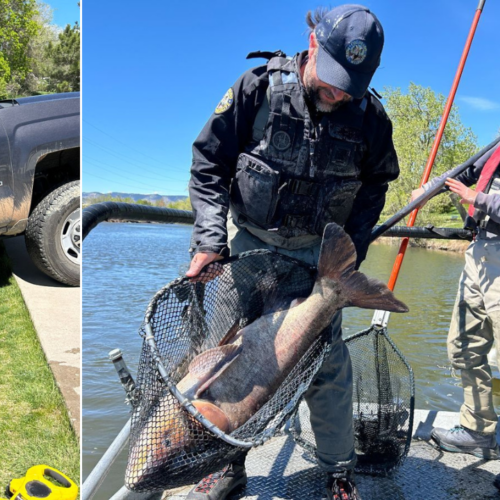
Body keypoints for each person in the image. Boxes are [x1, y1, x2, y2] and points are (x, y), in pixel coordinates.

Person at [184, 5, 399, 500]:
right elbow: (208, 165)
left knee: (327, 367)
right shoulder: (255, 88)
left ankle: (338, 468)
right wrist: (209, 242)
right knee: (230, 366)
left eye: (351, 84)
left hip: (317, 259)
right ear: (312, 44)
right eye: (332, 77)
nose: (338, 92)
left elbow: (376, 185)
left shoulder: (371, 118)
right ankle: (226, 466)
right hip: (247, 251)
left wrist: (352, 252)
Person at [410, 142, 500, 462]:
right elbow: (464, 171)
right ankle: (477, 431)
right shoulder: (497, 144)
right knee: (463, 344)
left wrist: (478, 198)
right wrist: (427, 190)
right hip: (480, 252)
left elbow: (473, 190)